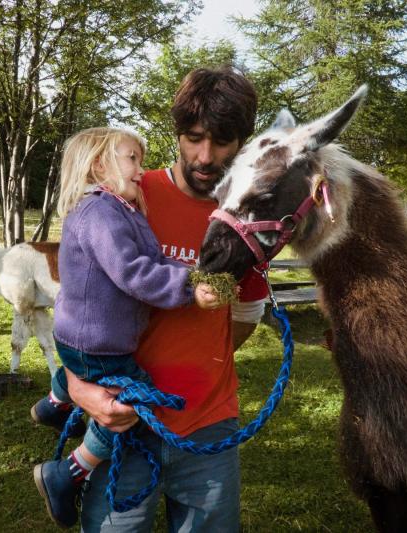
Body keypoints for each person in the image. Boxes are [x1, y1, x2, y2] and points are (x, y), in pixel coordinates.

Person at [63, 67, 268, 531]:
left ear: (240, 142)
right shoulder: (127, 195)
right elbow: (76, 300)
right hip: (122, 420)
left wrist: (202, 360)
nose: (205, 155)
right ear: (177, 133)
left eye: (222, 142)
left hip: (209, 421)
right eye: (194, 138)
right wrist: (80, 387)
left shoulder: (247, 217)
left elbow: (249, 309)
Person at [30, 127, 226, 528]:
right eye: (131, 159)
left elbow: (152, 258)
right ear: (100, 165)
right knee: (132, 404)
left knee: (91, 375)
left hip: (86, 337)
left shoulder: (123, 210)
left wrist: (194, 273)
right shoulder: (100, 212)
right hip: (97, 343)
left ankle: (54, 401)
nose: (141, 168)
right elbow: (133, 271)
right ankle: (67, 473)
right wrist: (189, 288)